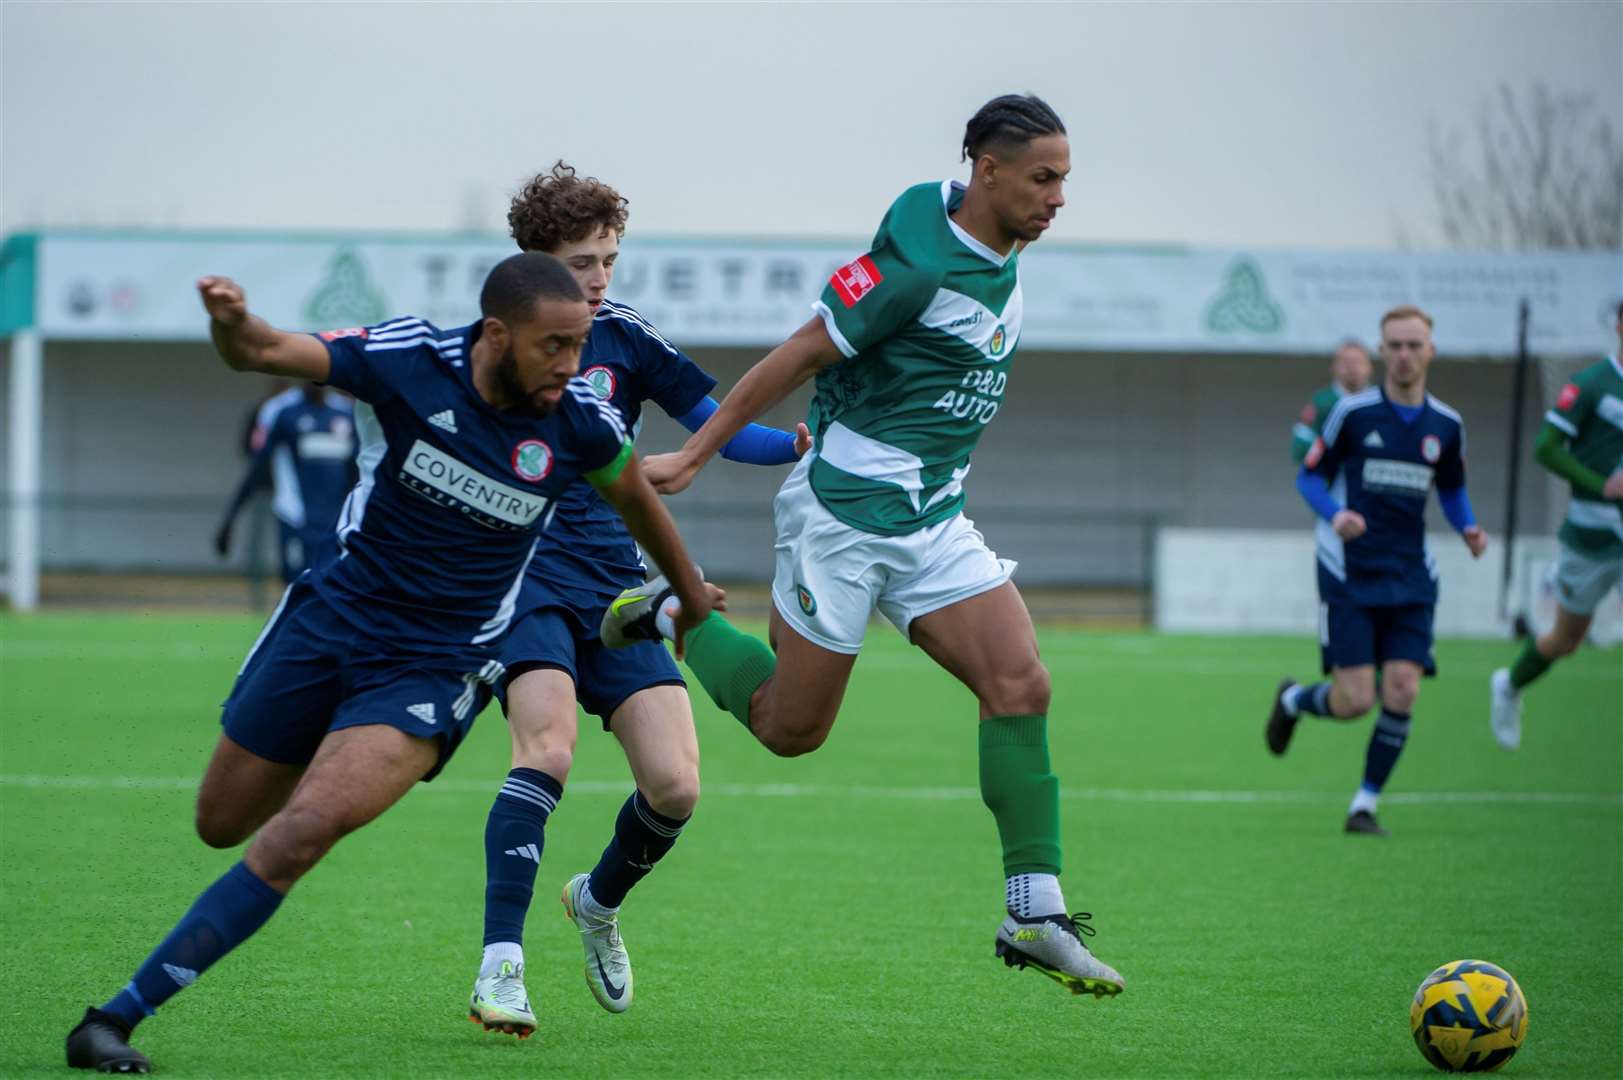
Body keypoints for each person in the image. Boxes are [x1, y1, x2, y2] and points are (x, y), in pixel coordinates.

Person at [64, 253, 718, 1073]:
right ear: (495, 334)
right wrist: (232, 329)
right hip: (329, 625)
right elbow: (269, 352)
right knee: (220, 821)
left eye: (578, 345)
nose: (571, 367)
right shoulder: (411, 360)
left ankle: (112, 1020)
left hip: (436, 666)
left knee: (301, 833)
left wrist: (686, 598)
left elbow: (637, 499)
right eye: (553, 346)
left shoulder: (577, 423)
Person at [602, 93, 1125, 999]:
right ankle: (670, 614)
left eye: (1065, 180)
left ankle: (1033, 911)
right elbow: (797, 356)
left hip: (932, 518)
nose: (1058, 199)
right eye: (1043, 179)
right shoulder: (914, 268)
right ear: (987, 170)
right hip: (842, 514)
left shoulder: (982, 238)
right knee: (788, 730)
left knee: (1020, 682)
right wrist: (696, 451)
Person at [468, 163, 809, 1035]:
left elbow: (718, 426)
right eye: (581, 259)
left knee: (676, 786)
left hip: (616, 580)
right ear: (534, 261)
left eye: (609, 257)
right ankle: (500, 965)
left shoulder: (625, 338)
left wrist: (802, 445)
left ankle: (595, 903)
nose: (598, 277)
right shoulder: (493, 346)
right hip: (523, 574)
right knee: (544, 752)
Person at [1265, 305, 1489, 836]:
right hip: (1350, 571)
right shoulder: (1354, 414)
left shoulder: (1447, 425)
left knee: (1404, 688)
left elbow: (1452, 488)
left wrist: (1469, 527)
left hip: (1412, 574)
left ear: (1430, 351)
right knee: (1353, 702)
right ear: (1382, 352)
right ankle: (1295, 700)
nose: (1406, 355)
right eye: (1396, 345)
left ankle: (1363, 805)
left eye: (1415, 345)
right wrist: (1335, 514)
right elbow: (1310, 478)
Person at [1490, 300, 1623, 748]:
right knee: (1566, 640)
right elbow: (1546, 448)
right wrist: (1601, 484)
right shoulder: (1590, 385)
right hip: (1591, 535)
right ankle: (1509, 686)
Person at [214, 382, 357, 583]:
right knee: (295, 585)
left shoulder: (346, 413)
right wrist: (231, 519)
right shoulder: (284, 413)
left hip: (336, 523)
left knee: (332, 586)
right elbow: (257, 468)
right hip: (295, 517)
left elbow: (359, 472)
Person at [1291, 339, 1372, 463]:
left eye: (1357, 362)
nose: (1352, 368)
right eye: (1345, 362)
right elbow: (1301, 440)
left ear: (1369, 367)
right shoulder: (1322, 401)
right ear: (1334, 367)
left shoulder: (1378, 400)